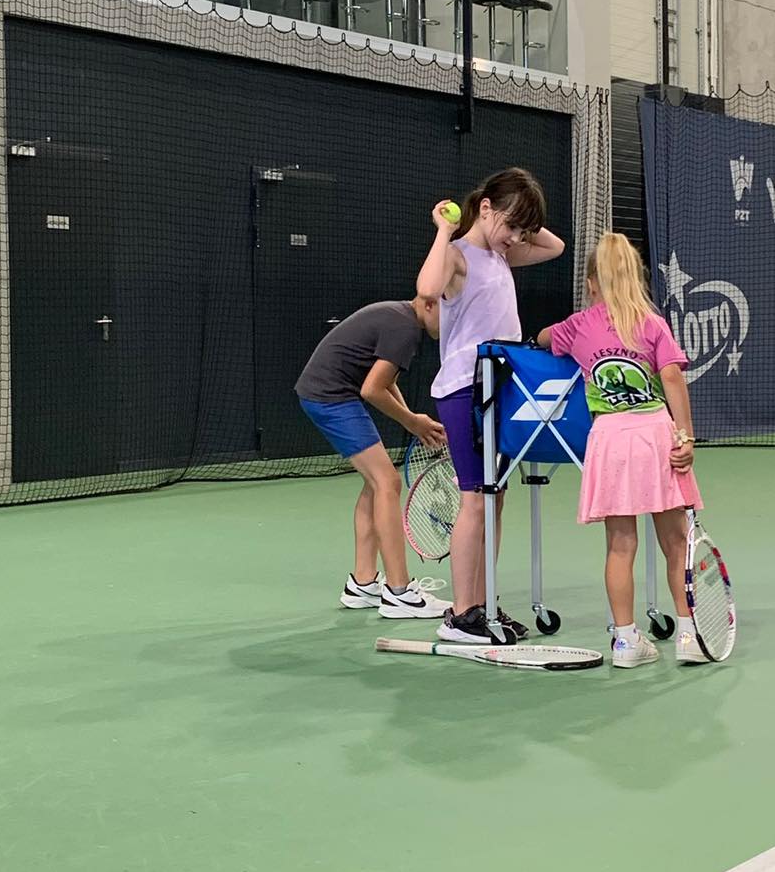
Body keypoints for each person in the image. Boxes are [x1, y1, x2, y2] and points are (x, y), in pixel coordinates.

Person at [537, 232, 707, 667]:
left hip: (609, 441)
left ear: (591, 283)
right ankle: (689, 636)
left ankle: (626, 642)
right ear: (636, 277)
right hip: (655, 437)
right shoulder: (653, 324)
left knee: (619, 544)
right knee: (676, 542)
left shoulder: (578, 326)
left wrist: (562, 333)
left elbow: (543, 337)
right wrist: (686, 437)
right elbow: (672, 378)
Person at [417, 168, 565, 644]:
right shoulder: (458, 256)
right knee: (474, 500)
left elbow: (554, 246)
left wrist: (516, 220)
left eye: (523, 229)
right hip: (464, 390)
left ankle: (484, 604)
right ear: (485, 209)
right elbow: (427, 289)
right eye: (512, 225)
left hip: (500, 388)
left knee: (494, 499)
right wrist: (445, 230)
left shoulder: (503, 253)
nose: (518, 238)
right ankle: (462, 615)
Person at [295, 296, 451, 619]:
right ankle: (400, 592)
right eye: (448, 313)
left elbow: (385, 381)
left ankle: (363, 584)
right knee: (387, 483)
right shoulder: (405, 328)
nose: (449, 322)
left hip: (325, 393)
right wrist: (413, 422)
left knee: (375, 484)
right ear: (430, 304)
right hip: (331, 396)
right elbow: (372, 390)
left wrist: (412, 420)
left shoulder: (399, 316)